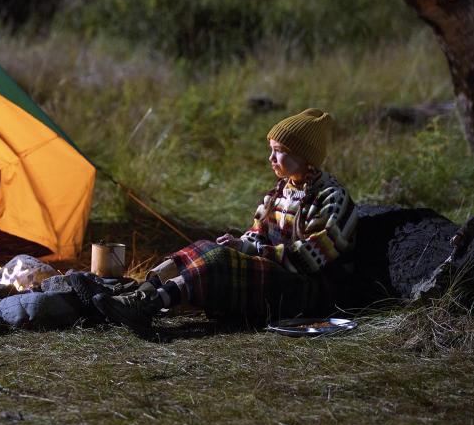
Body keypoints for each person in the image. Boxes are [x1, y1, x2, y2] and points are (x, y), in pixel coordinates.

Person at [90, 108, 357, 327]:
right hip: (279, 271)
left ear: (304, 156)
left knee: (218, 262)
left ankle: (150, 304)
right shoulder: (279, 192)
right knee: (205, 247)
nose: (271, 158)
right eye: (271, 149)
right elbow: (257, 232)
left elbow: (310, 260)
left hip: (310, 291)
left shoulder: (332, 198)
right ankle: (139, 294)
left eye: (279, 151)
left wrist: (250, 250)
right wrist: (241, 244)